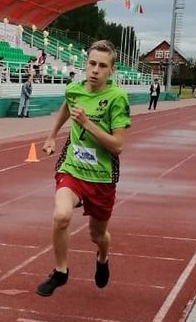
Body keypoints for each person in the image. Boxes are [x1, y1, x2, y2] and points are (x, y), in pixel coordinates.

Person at [37, 40, 131, 297]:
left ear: (111, 70)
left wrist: (88, 124)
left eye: (102, 65)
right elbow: (67, 107)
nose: (95, 70)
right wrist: (51, 136)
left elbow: (118, 146)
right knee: (61, 216)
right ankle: (60, 271)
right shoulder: (74, 89)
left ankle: (102, 257)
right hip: (73, 168)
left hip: (101, 176)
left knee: (97, 235)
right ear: (85, 64)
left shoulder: (117, 98)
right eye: (91, 63)